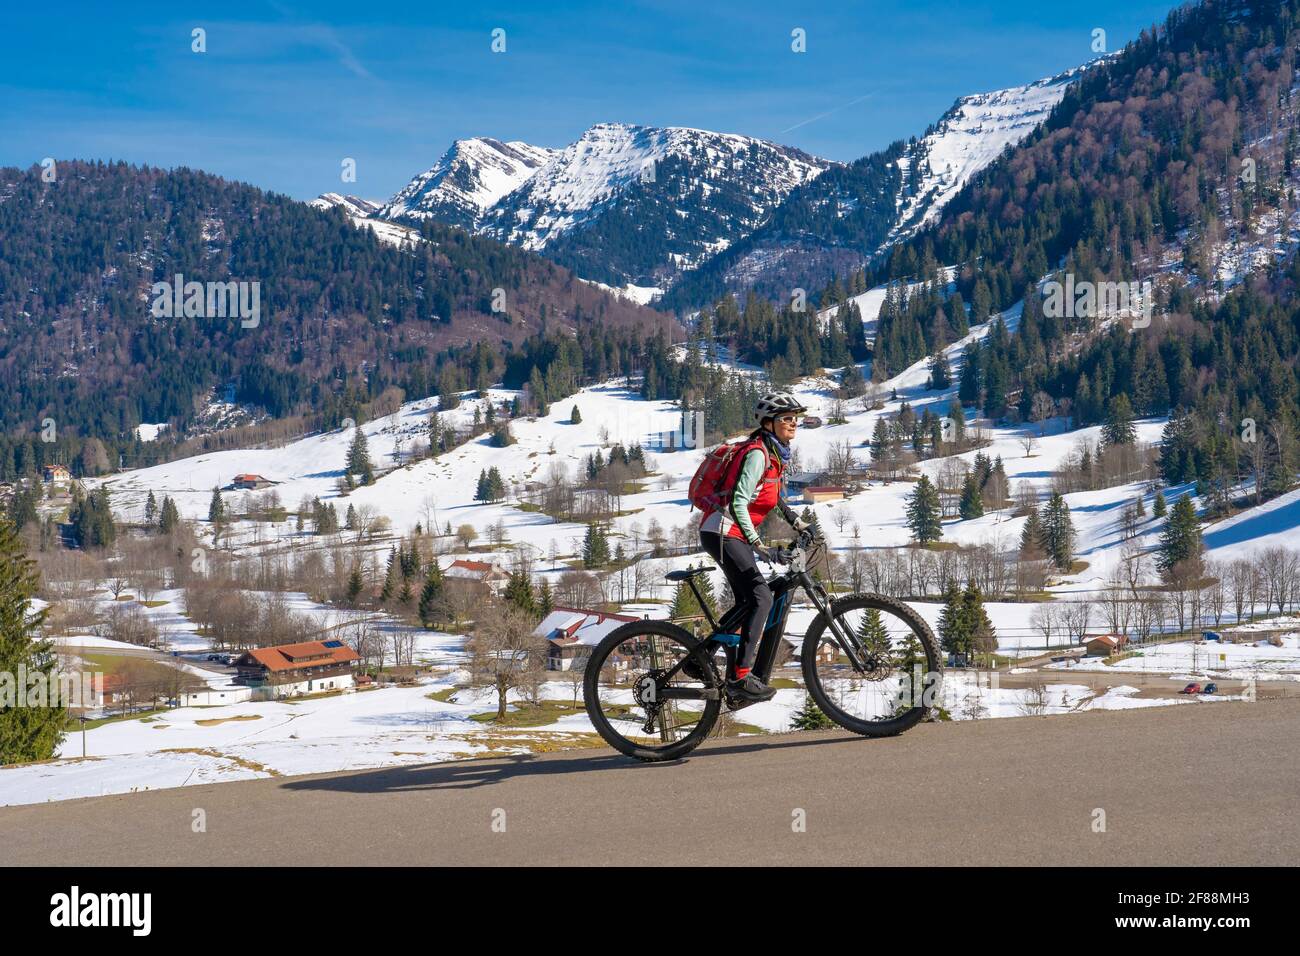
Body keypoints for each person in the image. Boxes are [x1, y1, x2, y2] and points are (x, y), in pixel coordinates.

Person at [699, 392, 811, 702]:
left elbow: (772, 498)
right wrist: (760, 546)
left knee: (747, 602)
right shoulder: (758, 454)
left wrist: (800, 524)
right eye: (787, 418)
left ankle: (702, 656)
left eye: (795, 419)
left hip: (730, 533)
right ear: (769, 423)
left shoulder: (773, 456)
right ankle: (740, 677)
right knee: (761, 597)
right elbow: (738, 502)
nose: (793, 424)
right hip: (722, 531)